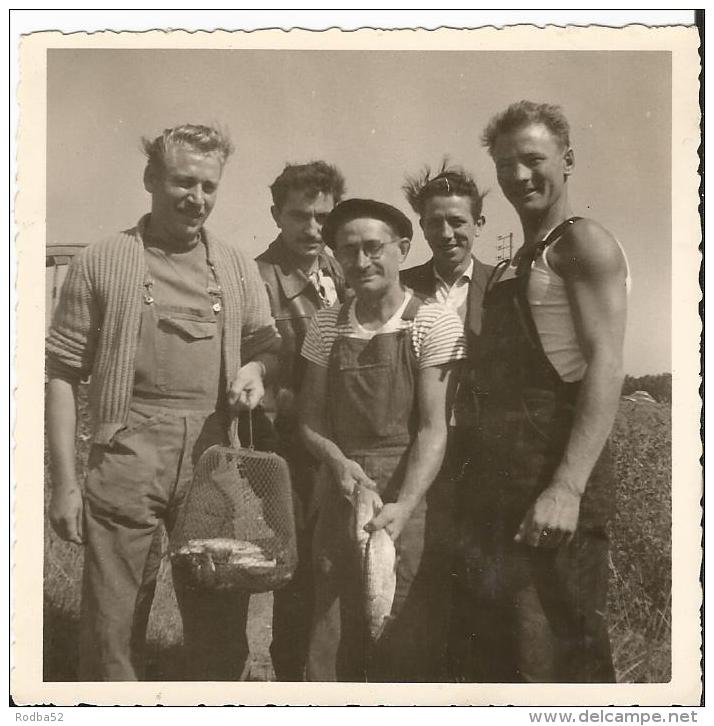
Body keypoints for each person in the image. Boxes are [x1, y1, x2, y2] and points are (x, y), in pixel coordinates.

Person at [45, 124, 281, 681]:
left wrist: (257, 368)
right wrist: (64, 483)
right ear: (151, 178)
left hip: (212, 459)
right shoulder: (104, 260)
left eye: (208, 186)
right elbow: (60, 372)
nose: (196, 199)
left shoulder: (235, 265)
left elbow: (267, 344)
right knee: (111, 623)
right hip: (126, 451)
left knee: (220, 618)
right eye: (182, 182)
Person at [453, 101, 629, 682]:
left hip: (551, 482)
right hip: (506, 487)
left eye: (533, 160)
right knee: (513, 660)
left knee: (561, 659)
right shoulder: (518, 260)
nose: (518, 176)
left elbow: (606, 364)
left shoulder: (583, 243)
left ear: (568, 160)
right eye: (505, 165)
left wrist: (567, 487)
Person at [299, 198, 467, 682]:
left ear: (403, 249)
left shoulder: (432, 322)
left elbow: (434, 429)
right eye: (348, 251)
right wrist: (334, 461)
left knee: (402, 628)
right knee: (330, 626)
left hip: (406, 495)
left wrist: (407, 503)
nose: (361, 261)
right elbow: (309, 419)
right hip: (340, 489)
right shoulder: (327, 323)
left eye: (375, 248)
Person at [255, 161, 348, 681]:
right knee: (297, 577)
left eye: (323, 217)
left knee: (340, 571)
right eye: (300, 216)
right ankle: (292, 691)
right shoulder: (258, 278)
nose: (313, 229)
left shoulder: (340, 267)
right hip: (288, 451)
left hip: (340, 443)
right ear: (276, 215)